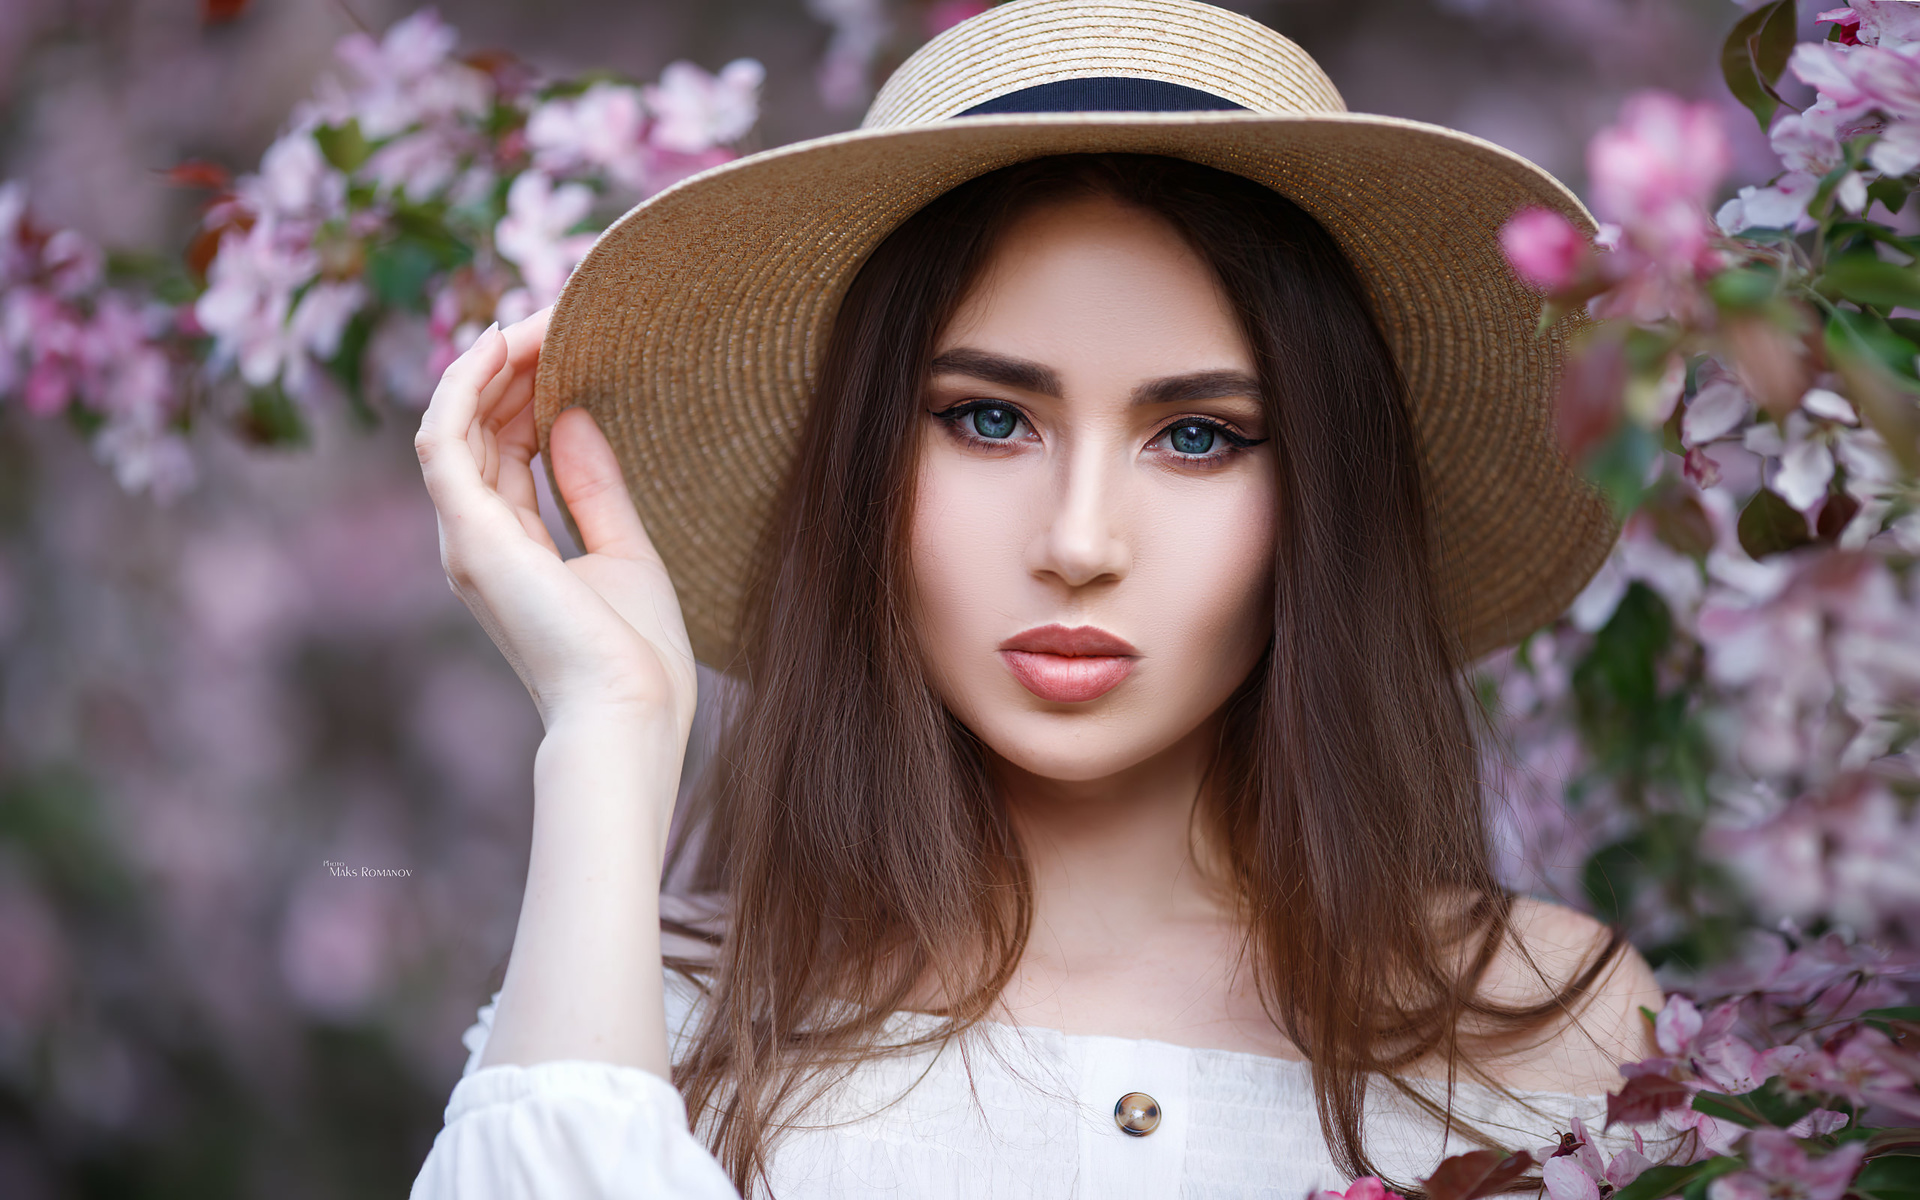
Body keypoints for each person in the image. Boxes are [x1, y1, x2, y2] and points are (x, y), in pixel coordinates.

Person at [408, 2, 1669, 1196]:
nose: (1078, 543)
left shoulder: (1554, 1028)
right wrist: (608, 729)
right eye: (990, 419)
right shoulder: (635, 1021)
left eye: (1199, 436)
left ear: (1323, 493)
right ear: (866, 464)